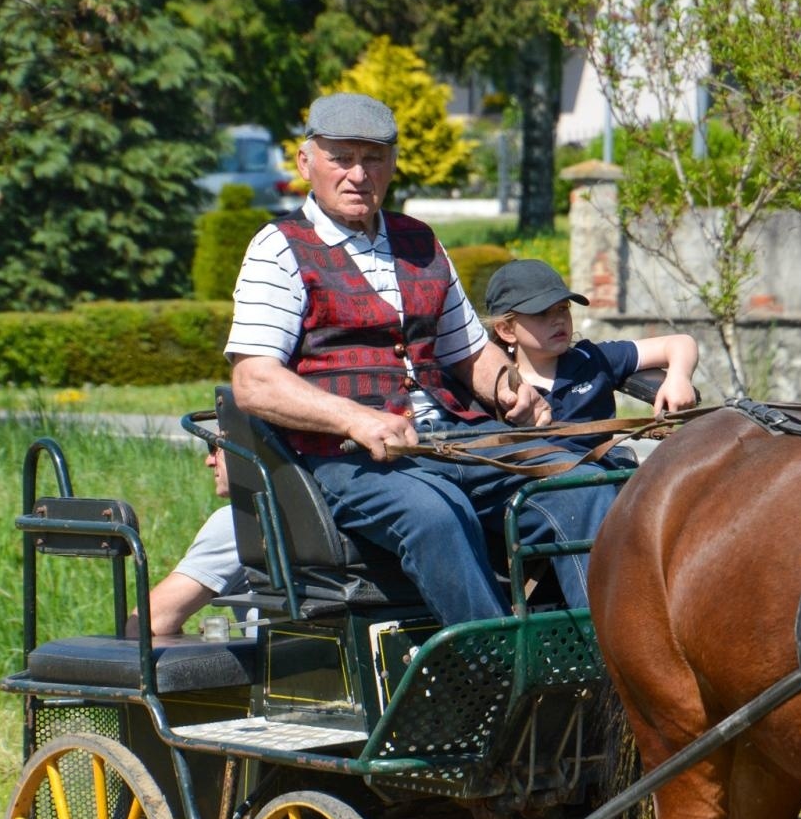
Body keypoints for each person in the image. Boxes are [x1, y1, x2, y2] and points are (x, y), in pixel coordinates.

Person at [225, 92, 620, 626]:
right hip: (350, 458)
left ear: (392, 165)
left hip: (460, 439)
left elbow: (469, 351)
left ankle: (603, 653)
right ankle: (496, 663)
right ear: (305, 162)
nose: (358, 175)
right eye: (342, 158)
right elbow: (253, 382)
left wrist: (507, 386)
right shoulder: (277, 249)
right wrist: (358, 419)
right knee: (436, 514)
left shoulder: (421, 241)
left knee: (582, 486)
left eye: (373, 159)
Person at [484, 258, 699, 431]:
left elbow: (680, 343)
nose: (558, 320)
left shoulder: (593, 359)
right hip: (530, 471)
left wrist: (679, 378)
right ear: (506, 330)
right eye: (541, 313)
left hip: (600, 468)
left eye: (563, 308)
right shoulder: (494, 384)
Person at [126, 436, 248, 638]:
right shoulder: (303, 512)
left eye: (216, 447)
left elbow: (144, 627)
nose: (209, 461)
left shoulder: (240, 521)